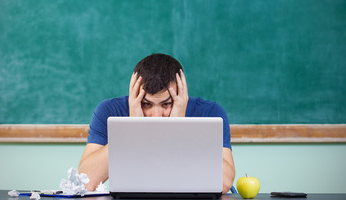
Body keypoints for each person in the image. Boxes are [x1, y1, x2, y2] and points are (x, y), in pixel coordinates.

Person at [79, 53, 235, 193]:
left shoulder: (210, 113)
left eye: (166, 104)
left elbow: (223, 183)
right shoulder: (109, 110)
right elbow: (86, 181)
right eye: (146, 104)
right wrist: (132, 129)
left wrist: (178, 129)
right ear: (134, 92)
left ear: (182, 93)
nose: (156, 115)